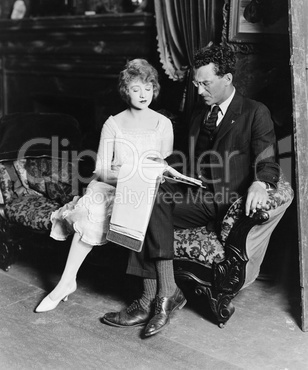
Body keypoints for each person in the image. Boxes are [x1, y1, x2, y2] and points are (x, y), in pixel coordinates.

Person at [103, 44, 280, 337]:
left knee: (151, 202)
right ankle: (160, 295)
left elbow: (268, 160)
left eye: (205, 83)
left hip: (221, 199)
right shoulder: (199, 113)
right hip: (193, 191)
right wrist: (160, 168)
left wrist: (261, 183)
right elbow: (185, 156)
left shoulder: (254, 112)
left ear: (227, 79)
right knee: (143, 194)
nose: (199, 91)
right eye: (197, 83)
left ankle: (155, 298)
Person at [35, 58, 174, 313]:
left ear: (154, 88)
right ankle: (66, 283)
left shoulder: (163, 124)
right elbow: (101, 169)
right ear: (125, 91)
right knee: (91, 213)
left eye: (148, 87)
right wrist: (128, 177)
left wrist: (147, 178)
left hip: (146, 193)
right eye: (135, 89)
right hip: (112, 187)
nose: (143, 94)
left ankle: (155, 292)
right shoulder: (113, 123)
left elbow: (164, 167)